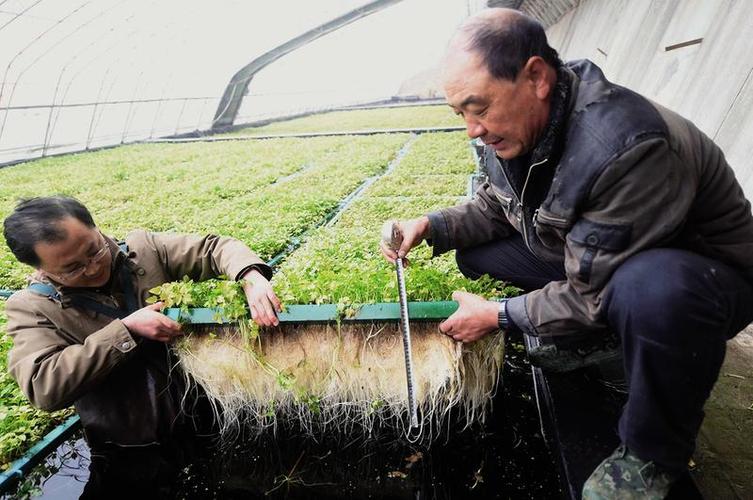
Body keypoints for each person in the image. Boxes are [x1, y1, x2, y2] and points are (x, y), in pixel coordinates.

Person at [380, 8, 753, 499]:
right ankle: (596, 342)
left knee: (651, 290)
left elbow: (592, 292)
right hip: (607, 260)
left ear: (535, 76)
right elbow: (496, 208)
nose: (472, 128)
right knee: (475, 253)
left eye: (479, 108)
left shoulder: (624, 147)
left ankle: (650, 457)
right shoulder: (516, 126)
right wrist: (433, 225)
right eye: (461, 114)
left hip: (701, 281)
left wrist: (499, 315)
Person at [2, 195, 282, 496]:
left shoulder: (144, 251)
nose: (93, 268)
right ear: (42, 269)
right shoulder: (34, 307)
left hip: (203, 420)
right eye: (72, 268)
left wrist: (250, 276)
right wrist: (125, 331)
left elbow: (214, 249)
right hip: (128, 446)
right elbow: (44, 386)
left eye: (94, 250)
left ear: (96, 227)